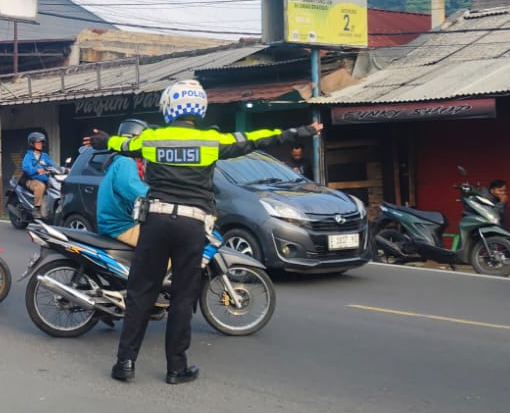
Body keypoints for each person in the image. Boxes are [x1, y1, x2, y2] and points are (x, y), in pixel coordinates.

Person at [92, 80, 320, 386]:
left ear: (169, 108)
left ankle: (125, 363)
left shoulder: (152, 138)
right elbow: (258, 138)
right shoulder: (211, 140)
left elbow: (120, 145)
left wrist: (104, 140)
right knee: (182, 298)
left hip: (156, 221)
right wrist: (304, 131)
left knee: (141, 293)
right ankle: (176, 369)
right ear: (198, 109)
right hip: (192, 226)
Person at [96, 119, 149, 244]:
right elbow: (133, 190)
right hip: (121, 227)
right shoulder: (126, 162)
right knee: (164, 246)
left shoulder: (118, 160)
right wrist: (161, 197)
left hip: (115, 224)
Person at [19, 132, 57, 212]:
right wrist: (36, 170)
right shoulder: (28, 156)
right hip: (31, 180)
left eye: (41, 142)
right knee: (40, 186)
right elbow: (26, 168)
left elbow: (53, 165)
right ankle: (37, 209)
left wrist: (64, 169)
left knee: (56, 185)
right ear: (32, 144)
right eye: (37, 143)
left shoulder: (45, 156)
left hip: (45, 179)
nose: (40, 144)